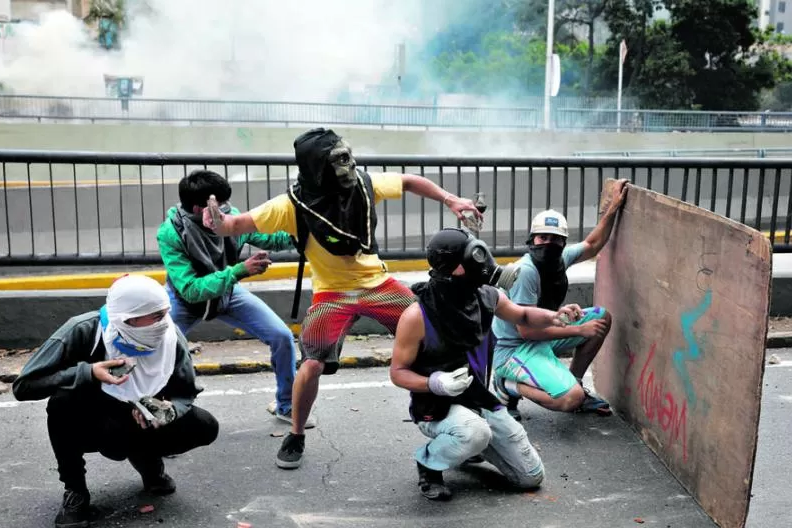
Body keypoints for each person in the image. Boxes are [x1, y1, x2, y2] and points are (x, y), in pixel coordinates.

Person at [203, 128, 483, 470]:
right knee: (312, 363)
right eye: (339, 160)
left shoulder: (365, 186)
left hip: (378, 284)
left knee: (440, 330)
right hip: (331, 295)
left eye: (348, 156)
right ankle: (296, 433)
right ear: (318, 169)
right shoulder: (293, 205)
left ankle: (459, 418)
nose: (349, 166)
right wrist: (217, 223)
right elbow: (237, 224)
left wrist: (450, 199)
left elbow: (409, 181)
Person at [12, 275, 219, 528]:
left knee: (204, 425)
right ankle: (75, 490)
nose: (163, 324)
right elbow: (24, 386)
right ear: (126, 318)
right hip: (96, 420)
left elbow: (185, 392)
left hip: (142, 419)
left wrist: (169, 411)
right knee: (61, 404)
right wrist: (87, 373)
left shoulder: (171, 336)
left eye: (165, 314)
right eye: (154, 317)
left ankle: (148, 461)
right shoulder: (84, 330)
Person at [390, 228, 583, 501]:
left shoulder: (486, 296)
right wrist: (435, 383)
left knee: (530, 477)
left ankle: (470, 446)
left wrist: (555, 317)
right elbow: (397, 373)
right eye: (473, 257)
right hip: (437, 407)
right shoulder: (417, 316)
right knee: (474, 432)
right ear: (455, 269)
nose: (482, 264)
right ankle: (430, 462)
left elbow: (524, 314)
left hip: (480, 399)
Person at [158, 169, 312, 427]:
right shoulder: (171, 234)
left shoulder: (228, 216)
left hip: (228, 293)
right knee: (162, 352)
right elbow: (191, 289)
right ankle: (166, 419)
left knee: (282, 337)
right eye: (219, 206)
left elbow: (267, 237)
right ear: (199, 208)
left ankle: (286, 405)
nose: (227, 211)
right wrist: (240, 271)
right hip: (184, 303)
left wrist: (302, 233)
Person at [491, 179, 630, 420]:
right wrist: (580, 330)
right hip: (515, 349)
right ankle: (506, 385)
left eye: (555, 239)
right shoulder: (525, 272)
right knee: (569, 399)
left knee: (601, 318)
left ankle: (574, 381)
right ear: (532, 239)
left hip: (541, 334)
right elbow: (527, 332)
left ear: (563, 243)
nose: (548, 243)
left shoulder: (560, 259)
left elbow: (593, 244)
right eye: (542, 237)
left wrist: (614, 208)